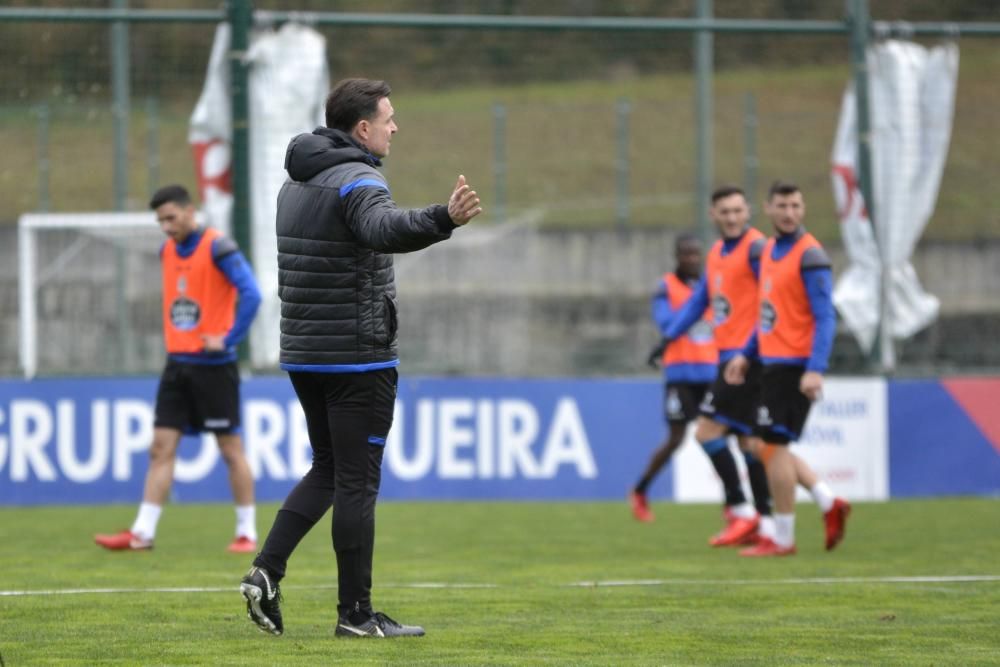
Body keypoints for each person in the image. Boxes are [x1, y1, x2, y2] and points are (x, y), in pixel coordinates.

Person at [239, 78, 482, 639]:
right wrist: (442, 218)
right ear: (363, 128)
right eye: (389, 118)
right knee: (356, 483)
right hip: (356, 359)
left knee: (328, 470)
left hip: (306, 353)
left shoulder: (295, 183)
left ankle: (265, 573)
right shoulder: (358, 177)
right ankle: (356, 616)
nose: (396, 127)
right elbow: (381, 227)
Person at [94, 184, 262, 553]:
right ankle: (143, 533)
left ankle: (247, 532)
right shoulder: (166, 250)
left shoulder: (219, 247)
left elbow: (252, 293)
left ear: (190, 211)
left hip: (214, 367)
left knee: (230, 450)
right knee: (160, 448)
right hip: (177, 365)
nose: (166, 226)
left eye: (171, 218)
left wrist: (229, 338)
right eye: (160, 221)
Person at [725, 181, 851, 557]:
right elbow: (766, 313)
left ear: (803, 208)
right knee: (765, 444)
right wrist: (746, 354)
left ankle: (783, 538)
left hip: (794, 365)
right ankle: (827, 501)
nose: (789, 212)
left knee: (772, 447)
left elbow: (826, 317)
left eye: (795, 205)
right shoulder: (768, 253)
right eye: (782, 206)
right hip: (770, 362)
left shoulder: (810, 256)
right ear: (769, 208)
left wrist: (816, 368)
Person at [655, 186, 775, 547]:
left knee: (710, 434)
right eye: (725, 211)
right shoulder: (720, 254)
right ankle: (774, 523)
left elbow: (773, 299)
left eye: (738, 210)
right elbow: (697, 304)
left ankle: (744, 512)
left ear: (749, 211)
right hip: (732, 359)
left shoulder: (756, 250)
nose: (732, 217)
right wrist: (667, 339)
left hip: (746, 361)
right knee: (751, 443)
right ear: (713, 215)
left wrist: (753, 349)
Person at [630, 233, 718, 522]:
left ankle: (735, 506)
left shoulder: (713, 286)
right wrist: (696, 305)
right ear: (677, 257)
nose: (692, 259)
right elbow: (667, 323)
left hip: (711, 372)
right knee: (676, 439)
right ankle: (641, 491)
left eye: (696, 253)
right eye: (686, 254)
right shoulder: (666, 287)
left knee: (723, 437)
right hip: (680, 374)